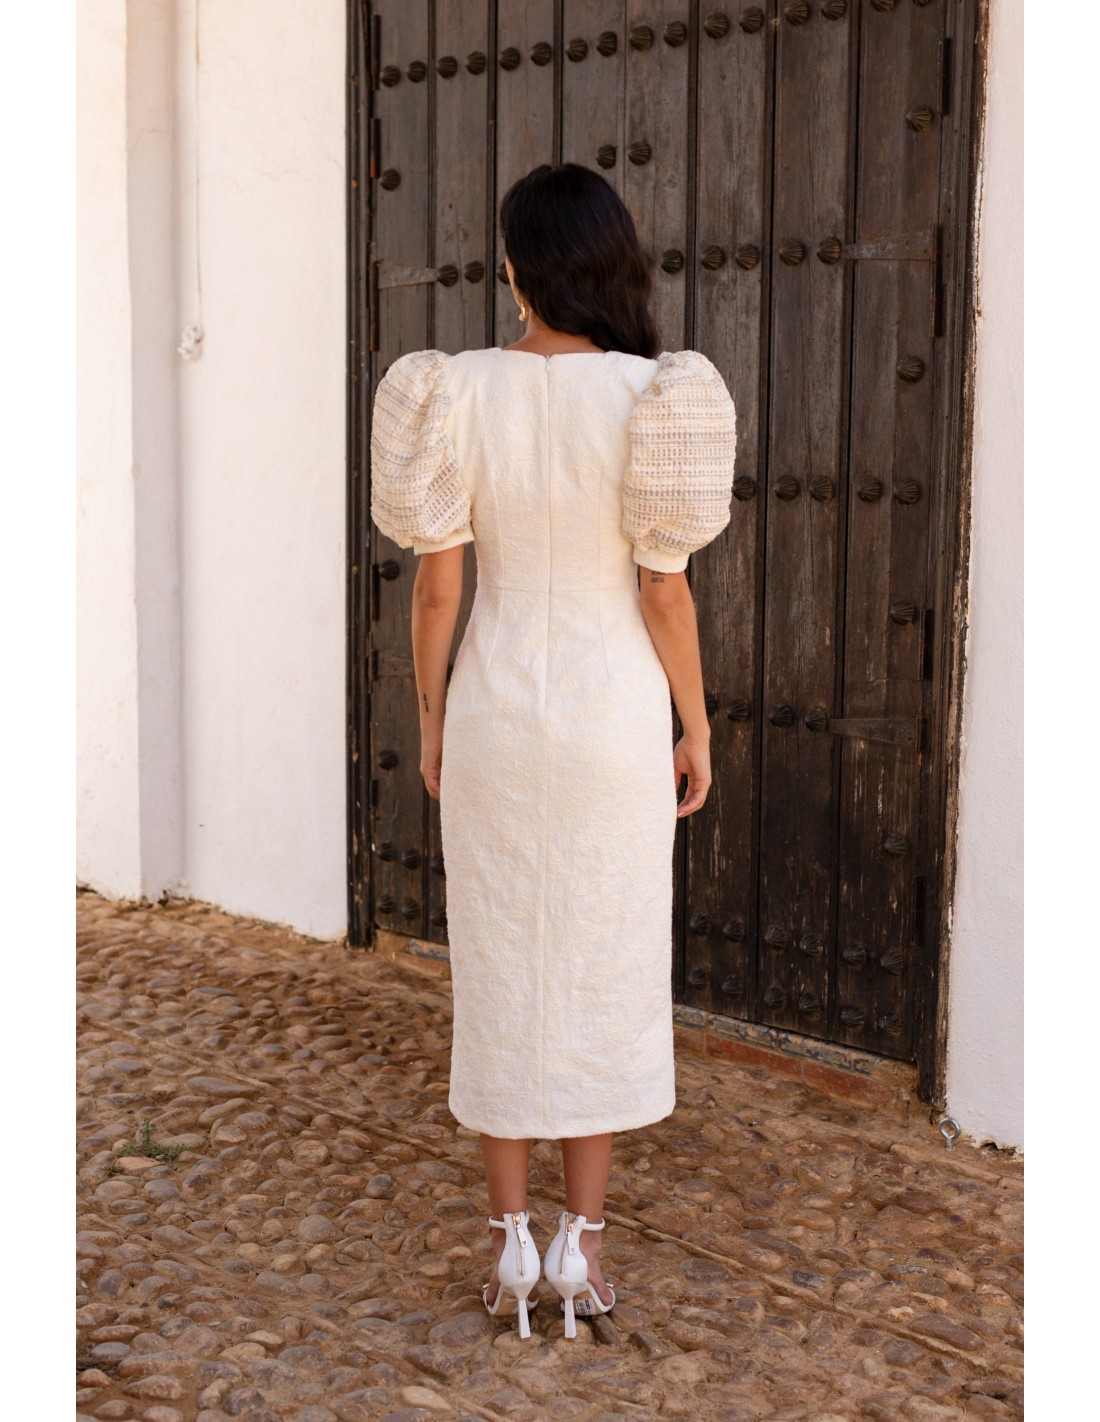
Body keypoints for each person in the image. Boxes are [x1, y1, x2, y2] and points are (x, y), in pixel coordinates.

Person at [369, 162, 737, 1340]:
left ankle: (508, 1246)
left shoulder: (451, 391)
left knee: (498, 961)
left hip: (495, 707)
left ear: (515, 270)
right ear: (613, 265)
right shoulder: (653, 396)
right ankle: (582, 1247)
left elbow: (438, 591)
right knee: (599, 963)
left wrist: (431, 715)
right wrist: (694, 724)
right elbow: (663, 594)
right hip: (608, 713)